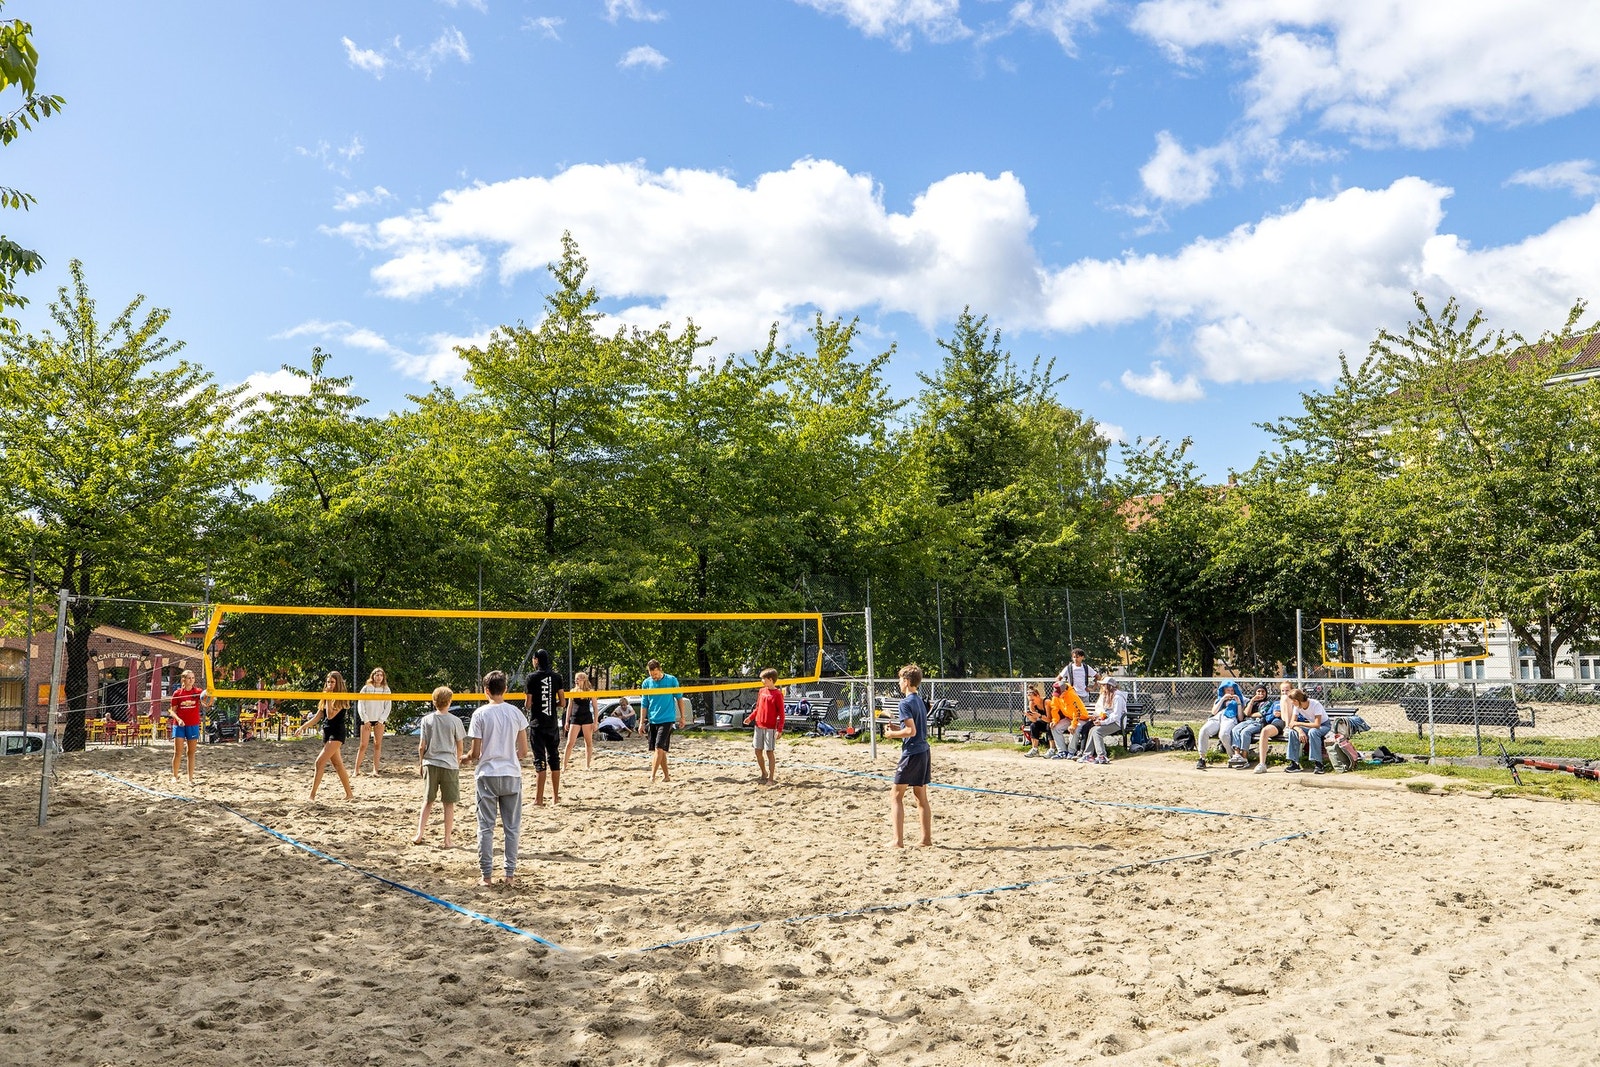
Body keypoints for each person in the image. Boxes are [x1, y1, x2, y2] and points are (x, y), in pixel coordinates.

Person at [465, 670, 529, 886]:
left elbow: (475, 753)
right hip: (511, 773)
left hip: (487, 775)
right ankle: (509, 875)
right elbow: (524, 752)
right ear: (506, 689)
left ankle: (486, 876)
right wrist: (509, 755)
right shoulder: (515, 713)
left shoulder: (480, 714)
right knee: (511, 828)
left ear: (485, 690)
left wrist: (467, 758)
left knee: (486, 827)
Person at [883, 663, 932, 847]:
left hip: (912, 753)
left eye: (900, 679)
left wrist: (891, 734)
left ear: (906, 681)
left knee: (896, 796)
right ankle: (926, 839)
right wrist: (898, 728)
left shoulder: (905, 703)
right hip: (924, 750)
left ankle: (897, 841)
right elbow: (913, 728)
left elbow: (910, 731)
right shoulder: (919, 701)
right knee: (921, 797)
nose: (898, 683)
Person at [414, 685, 466, 847]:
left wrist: (421, 762)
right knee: (448, 803)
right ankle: (447, 839)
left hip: (430, 763)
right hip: (449, 765)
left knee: (428, 801)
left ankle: (419, 833)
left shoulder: (426, 720)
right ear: (449, 702)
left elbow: (422, 746)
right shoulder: (455, 721)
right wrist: (458, 760)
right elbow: (460, 746)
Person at [304, 670, 355, 801]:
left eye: (332, 682)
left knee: (319, 762)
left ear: (338, 683)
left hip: (337, 733)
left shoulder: (341, 698)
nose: (329, 684)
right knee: (338, 765)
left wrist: (327, 697)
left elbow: (331, 715)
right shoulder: (326, 698)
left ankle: (312, 795)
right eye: (328, 682)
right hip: (327, 732)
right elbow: (317, 717)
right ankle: (349, 794)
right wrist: (303, 727)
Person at [523, 649, 565, 805]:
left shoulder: (531, 677)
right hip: (552, 723)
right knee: (554, 758)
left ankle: (538, 800)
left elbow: (528, 705)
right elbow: (563, 702)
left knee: (539, 760)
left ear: (536, 660)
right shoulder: (557, 677)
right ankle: (555, 798)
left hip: (537, 724)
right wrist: (549, 704)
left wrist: (536, 704)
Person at [639, 658, 687, 783]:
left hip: (667, 719)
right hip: (653, 719)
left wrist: (682, 717)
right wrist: (641, 723)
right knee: (660, 750)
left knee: (659, 748)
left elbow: (679, 699)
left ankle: (652, 776)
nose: (653, 677)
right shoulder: (646, 683)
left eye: (655, 674)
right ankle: (666, 776)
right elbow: (644, 704)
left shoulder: (671, 680)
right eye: (651, 674)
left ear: (660, 669)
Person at [165, 669, 210, 782]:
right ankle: (175, 776)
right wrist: (179, 719)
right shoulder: (177, 693)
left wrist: (211, 697)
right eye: (189, 678)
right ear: (183, 679)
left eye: (193, 678)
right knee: (178, 752)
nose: (191, 680)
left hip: (193, 725)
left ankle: (190, 779)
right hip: (179, 725)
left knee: (191, 752)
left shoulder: (198, 692)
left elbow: (207, 703)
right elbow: (171, 711)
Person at [743, 668, 785, 783]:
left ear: (770, 680)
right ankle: (763, 773)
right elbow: (758, 708)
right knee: (757, 751)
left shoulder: (777, 695)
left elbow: (782, 714)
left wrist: (779, 730)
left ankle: (771, 778)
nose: (762, 681)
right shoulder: (762, 691)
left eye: (763, 679)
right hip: (758, 725)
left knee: (769, 752)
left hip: (770, 727)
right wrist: (750, 717)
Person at [351, 667, 393, 776]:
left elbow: (388, 706)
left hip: (379, 720)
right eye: (377, 675)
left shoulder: (386, 689)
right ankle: (356, 769)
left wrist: (381, 720)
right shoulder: (366, 688)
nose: (379, 677)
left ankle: (375, 770)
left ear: (383, 677)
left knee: (377, 744)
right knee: (363, 745)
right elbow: (361, 704)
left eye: (381, 675)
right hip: (367, 720)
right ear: (373, 676)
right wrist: (365, 719)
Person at [1283, 688, 1332, 774]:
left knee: (1313, 732)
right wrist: (1300, 731)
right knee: (1293, 732)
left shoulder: (1315, 704)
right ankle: (1294, 763)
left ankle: (1319, 764)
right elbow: (1292, 724)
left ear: (1297, 700)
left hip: (1324, 726)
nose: (1291, 703)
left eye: (1292, 701)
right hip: (1311, 726)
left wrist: (1299, 724)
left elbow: (1317, 725)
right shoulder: (1297, 706)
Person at [1078, 679, 1126, 764]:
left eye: (1104, 685)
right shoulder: (1105, 695)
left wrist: (1102, 722)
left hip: (1117, 723)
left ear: (1110, 686)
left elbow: (1116, 716)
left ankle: (1102, 756)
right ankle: (1088, 755)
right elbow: (1100, 709)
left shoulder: (1118, 697)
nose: (1102, 687)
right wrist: (1099, 717)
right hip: (1108, 721)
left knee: (1097, 731)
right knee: (1093, 730)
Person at [1194, 686, 1243, 770]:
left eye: (1232, 690)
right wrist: (1223, 699)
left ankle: (1232, 756)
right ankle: (1202, 758)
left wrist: (1238, 702)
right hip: (1217, 717)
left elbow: (1241, 718)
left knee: (1223, 734)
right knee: (1204, 730)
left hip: (1230, 718)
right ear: (1223, 691)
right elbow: (1214, 712)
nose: (1230, 692)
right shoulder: (1219, 700)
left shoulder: (1239, 700)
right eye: (1228, 690)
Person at [562, 670, 598, 772]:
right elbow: (569, 707)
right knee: (570, 743)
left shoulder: (590, 691)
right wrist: (567, 721)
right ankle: (564, 766)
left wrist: (595, 722)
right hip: (575, 718)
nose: (576, 681)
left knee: (588, 742)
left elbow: (595, 708)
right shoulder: (573, 691)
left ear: (584, 680)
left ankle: (587, 765)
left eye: (578, 679)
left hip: (586, 718)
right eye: (576, 679)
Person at [1253, 682, 1294, 773]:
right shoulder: (1275, 703)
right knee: (1265, 731)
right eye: (1282, 691)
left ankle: (1287, 727)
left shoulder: (1296, 703)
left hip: (1291, 722)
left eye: (1287, 690)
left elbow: (1301, 717)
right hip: (1278, 723)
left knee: (1285, 699)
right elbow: (1267, 717)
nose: (1284, 692)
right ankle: (1262, 764)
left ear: (1292, 691)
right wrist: (1274, 715)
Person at [1230, 685, 1272, 767]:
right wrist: (1252, 701)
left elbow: (1261, 714)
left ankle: (1244, 758)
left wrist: (1250, 714)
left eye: (1263, 692)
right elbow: (1246, 713)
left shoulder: (1268, 703)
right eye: (1258, 692)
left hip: (1258, 722)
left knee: (1245, 732)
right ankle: (1237, 756)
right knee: (1235, 730)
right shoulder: (1250, 702)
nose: (1261, 694)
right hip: (1247, 721)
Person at [1022, 683, 1050, 757]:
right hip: (1043, 720)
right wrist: (1029, 716)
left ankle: (1052, 749)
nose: (1031, 702)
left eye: (1033, 699)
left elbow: (1049, 719)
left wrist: (1039, 716)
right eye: (1030, 700)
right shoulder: (1032, 704)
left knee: (1049, 725)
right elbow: (1034, 720)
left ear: (1038, 696)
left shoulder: (1046, 702)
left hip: (1051, 721)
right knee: (1033, 725)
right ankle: (1034, 749)